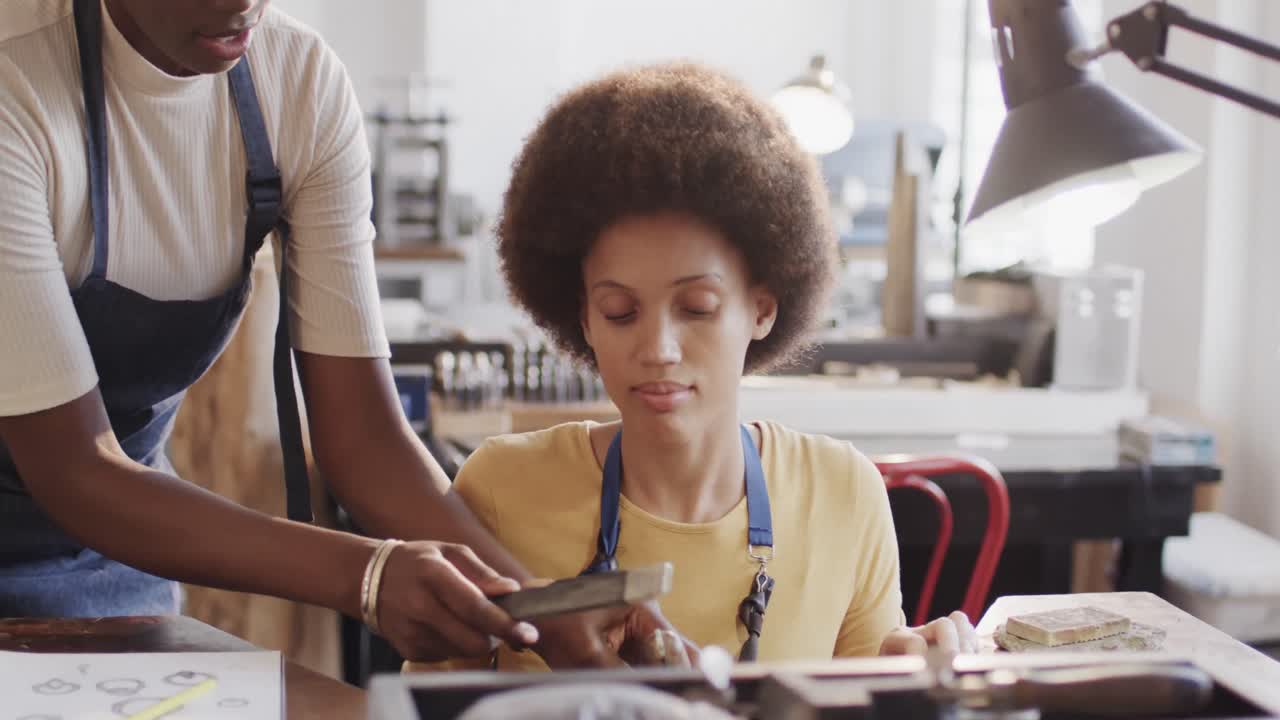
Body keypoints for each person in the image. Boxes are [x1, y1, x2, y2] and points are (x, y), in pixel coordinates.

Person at [0, 0, 675, 668]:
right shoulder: (16, 78)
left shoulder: (296, 84)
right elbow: (74, 469)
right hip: (93, 500)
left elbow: (364, 440)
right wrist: (369, 575)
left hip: (117, 570)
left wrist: (542, 612)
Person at [407, 62, 978, 672]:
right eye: (620, 311)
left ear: (762, 308)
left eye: (697, 308)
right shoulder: (502, 489)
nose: (658, 348)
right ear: (583, 318)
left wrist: (911, 676)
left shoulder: (842, 493)